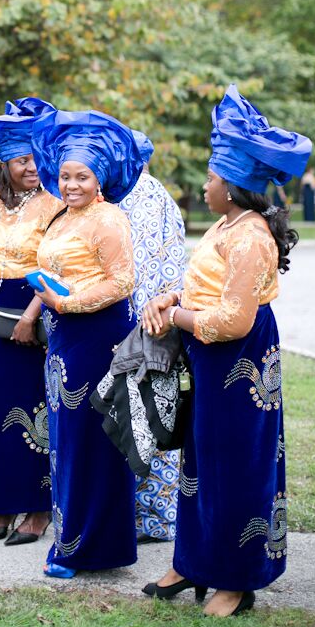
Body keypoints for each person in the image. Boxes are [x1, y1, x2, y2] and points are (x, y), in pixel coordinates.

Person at [142, 84, 312, 617]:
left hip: (239, 362)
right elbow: (204, 288)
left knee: (239, 464)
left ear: (234, 187)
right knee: (201, 463)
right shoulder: (225, 224)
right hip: (208, 357)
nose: (205, 185)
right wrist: (170, 297)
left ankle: (236, 581)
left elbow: (234, 321)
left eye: (212, 178)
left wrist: (175, 318)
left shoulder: (252, 236)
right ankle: (193, 561)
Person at [31, 109, 143, 578]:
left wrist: (66, 301)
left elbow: (122, 282)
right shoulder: (62, 216)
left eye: (82, 176)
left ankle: (90, 549)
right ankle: (72, 536)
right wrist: (51, 297)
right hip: (64, 336)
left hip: (99, 336)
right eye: (65, 176)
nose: (71, 184)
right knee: (66, 439)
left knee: (93, 438)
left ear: (101, 179)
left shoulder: (109, 219)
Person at [0, 97, 64, 545]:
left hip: (35, 307)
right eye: (21, 160)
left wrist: (32, 316)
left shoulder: (53, 204)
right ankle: (3, 506)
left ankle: (37, 508)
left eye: (36, 158)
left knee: (34, 407)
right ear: (5, 163)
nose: (31, 167)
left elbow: (53, 267)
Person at [118, 130, 185, 544]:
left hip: (145, 324)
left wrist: (156, 318)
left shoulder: (144, 197)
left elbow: (163, 265)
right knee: (140, 416)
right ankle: (145, 516)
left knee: (147, 416)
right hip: (142, 323)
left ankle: (154, 517)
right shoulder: (125, 195)